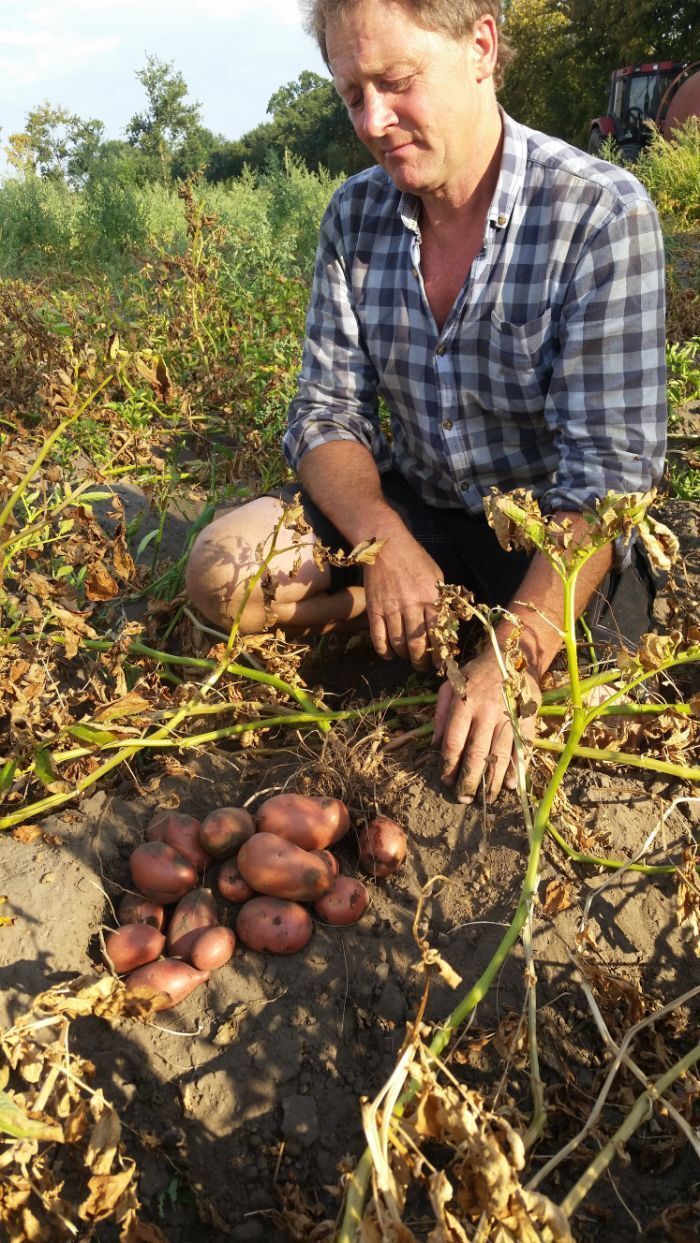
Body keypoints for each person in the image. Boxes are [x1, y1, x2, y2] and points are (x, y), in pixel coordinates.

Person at [186, 0, 666, 805]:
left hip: (549, 539)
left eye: (397, 82)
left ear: (480, 45)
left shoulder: (599, 215)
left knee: (602, 670)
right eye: (350, 95)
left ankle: (477, 629)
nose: (374, 120)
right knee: (220, 574)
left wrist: (514, 655)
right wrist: (383, 539)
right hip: (418, 509)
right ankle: (415, 604)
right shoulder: (355, 214)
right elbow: (326, 413)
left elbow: (606, 487)